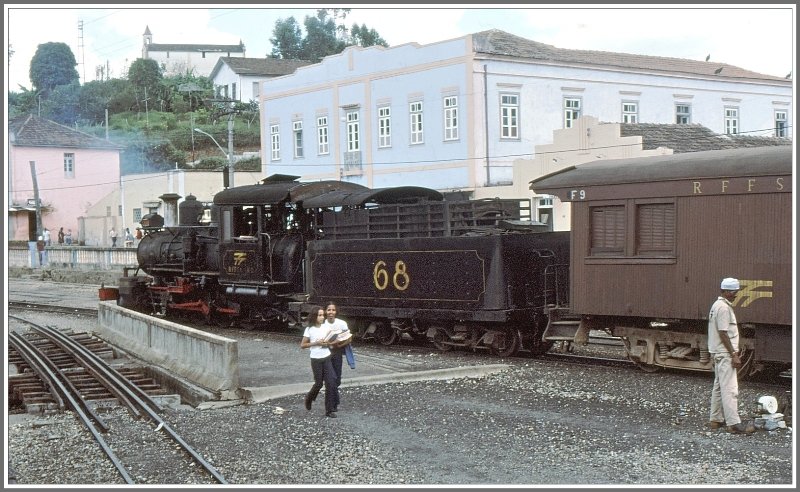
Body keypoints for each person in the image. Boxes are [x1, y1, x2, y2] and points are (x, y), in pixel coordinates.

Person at [707, 277, 755, 434]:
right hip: (725, 353)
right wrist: (734, 354)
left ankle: (715, 419)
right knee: (730, 388)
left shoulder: (717, 305)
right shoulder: (724, 308)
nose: (736, 295)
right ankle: (733, 424)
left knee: (719, 386)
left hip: (719, 352)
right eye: (734, 292)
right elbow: (723, 333)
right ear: (727, 292)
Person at [300, 306, 340, 418]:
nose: (322, 317)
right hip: (316, 359)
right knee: (318, 383)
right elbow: (303, 345)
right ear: (314, 316)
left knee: (331, 383)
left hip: (326, 357)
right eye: (320, 315)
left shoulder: (326, 327)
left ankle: (329, 410)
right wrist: (316, 343)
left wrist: (329, 342)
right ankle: (309, 398)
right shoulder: (309, 329)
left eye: (323, 315)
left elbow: (331, 341)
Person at [324, 302, 353, 413]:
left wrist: (339, 344)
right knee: (329, 380)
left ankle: (335, 401)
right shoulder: (322, 325)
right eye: (329, 310)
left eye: (333, 310)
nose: (331, 312)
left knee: (337, 379)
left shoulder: (342, 323)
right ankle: (330, 407)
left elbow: (349, 338)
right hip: (325, 353)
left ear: (336, 312)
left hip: (337, 352)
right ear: (325, 311)